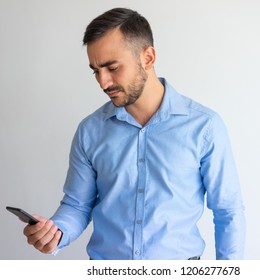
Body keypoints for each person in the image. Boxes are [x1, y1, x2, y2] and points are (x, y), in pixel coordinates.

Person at [23, 7, 245, 260]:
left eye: (112, 67)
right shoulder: (90, 131)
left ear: (148, 57)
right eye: (96, 70)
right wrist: (56, 232)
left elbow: (228, 211)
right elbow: (77, 205)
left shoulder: (204, 127)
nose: (103, 82)